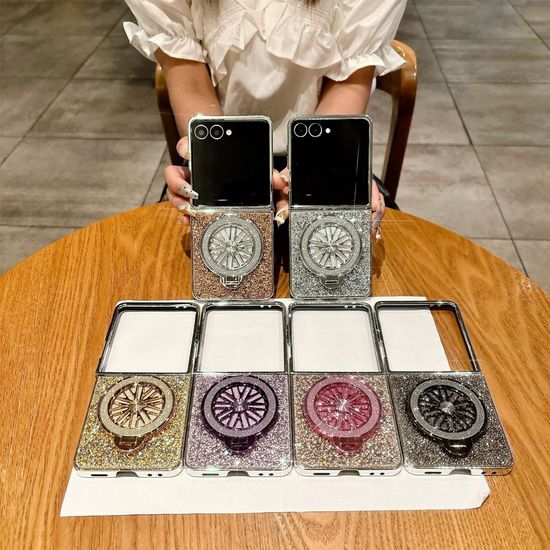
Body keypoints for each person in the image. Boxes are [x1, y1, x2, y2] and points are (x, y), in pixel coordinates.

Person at [124, 0, 407, 239]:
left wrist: (318, 168)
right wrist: (220, 163)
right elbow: (191, 82)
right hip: (223, 155)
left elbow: (347, 84)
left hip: (323, 152)